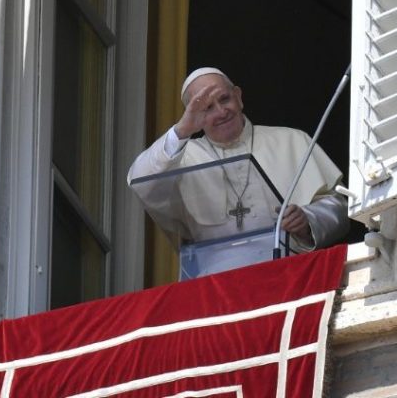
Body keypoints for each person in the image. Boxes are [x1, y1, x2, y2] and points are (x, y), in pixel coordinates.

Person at [128, 67, 349, 276]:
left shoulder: (291, 140)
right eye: (207, 108)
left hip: (289, 271)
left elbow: (339, 207)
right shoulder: (180, 159)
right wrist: (183, 129)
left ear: (238, 96)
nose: (221, 112)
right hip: (214, 283)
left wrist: (308, 221)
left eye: (224, 99)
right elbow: (141, 182)